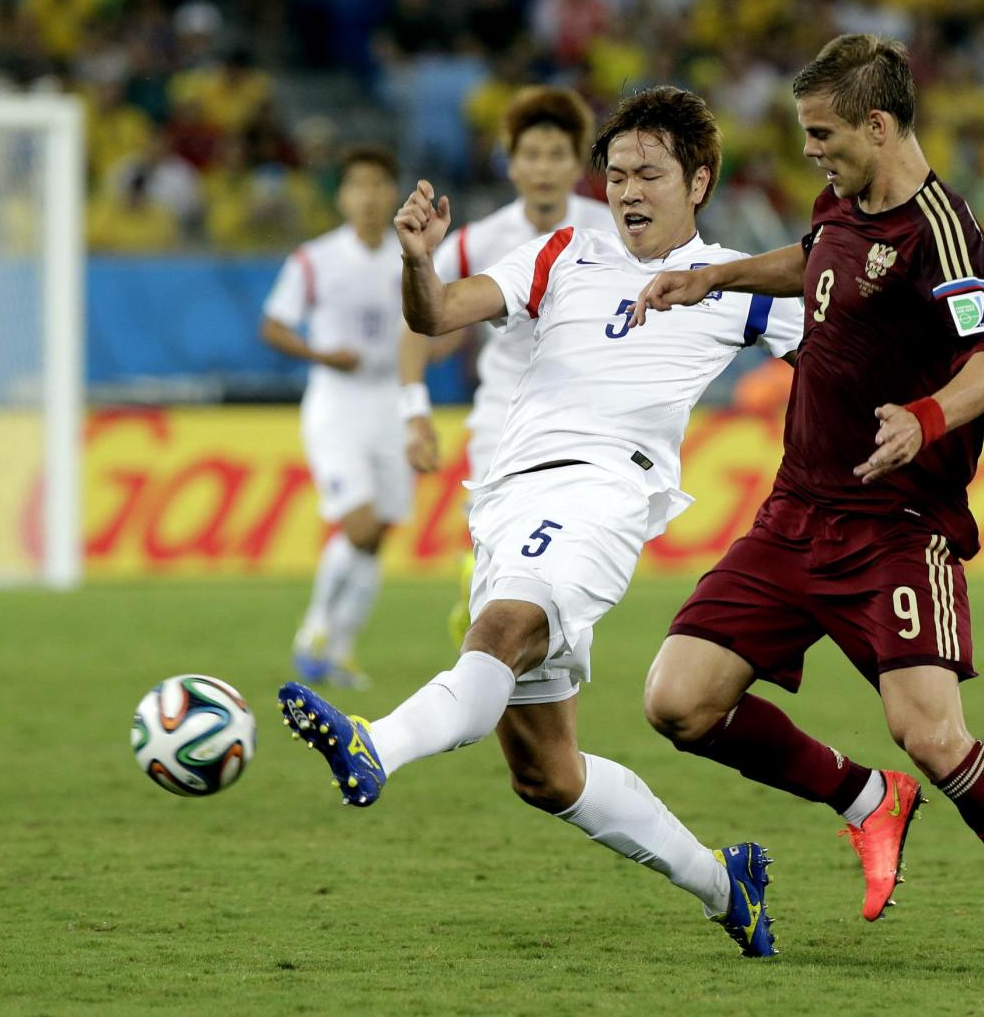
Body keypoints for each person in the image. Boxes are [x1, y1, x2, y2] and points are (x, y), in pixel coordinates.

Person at [278, 86, 803, 957]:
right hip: (508, 497)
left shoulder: (738, 283)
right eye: (618, 174)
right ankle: (726, 882)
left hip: (606, 493)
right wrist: (417, 262)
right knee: (547, 773)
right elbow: (437, 314)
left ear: (700, 181)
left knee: (501, 627)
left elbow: (835, 350)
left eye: (650, 174)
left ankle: (376, 743)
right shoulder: (565, 250)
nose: (628, 190)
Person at [632, 35, 984, 979]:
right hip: (794, 513)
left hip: (895, 529)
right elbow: (817, 261)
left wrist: (925, 419)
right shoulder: (843, 204)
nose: (811, 151)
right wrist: (715, 277)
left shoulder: (943, 231)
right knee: (677, 701)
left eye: (823, 134)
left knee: (931, 733)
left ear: (878, 126)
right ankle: (865, 798)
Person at [398, 86, 613, 645]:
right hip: (504, 417)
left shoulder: (613, 229)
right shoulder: (478, 240)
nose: (543, 168)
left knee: (564, 564)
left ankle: (499, 628)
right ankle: (487, 612)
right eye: (531, 155)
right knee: (504, 552)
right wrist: (414, 413)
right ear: (511, 163)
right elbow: (420, 323)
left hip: (589, 420)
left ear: (577, 164)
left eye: (556, 155)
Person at [262, 145, 409, 690]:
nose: (368, 196)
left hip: (392, 400)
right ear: (343, 196)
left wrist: (425, 353)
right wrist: (322, 355)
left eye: (378, 185)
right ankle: (315, 631)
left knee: (378, 533)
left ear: (392, 194)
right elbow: (274, 325)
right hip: (337, 403)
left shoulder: (412, 259)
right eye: (357, 185)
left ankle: (340, 649)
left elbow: (438, 322)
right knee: (359, 525)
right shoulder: (315, 259)